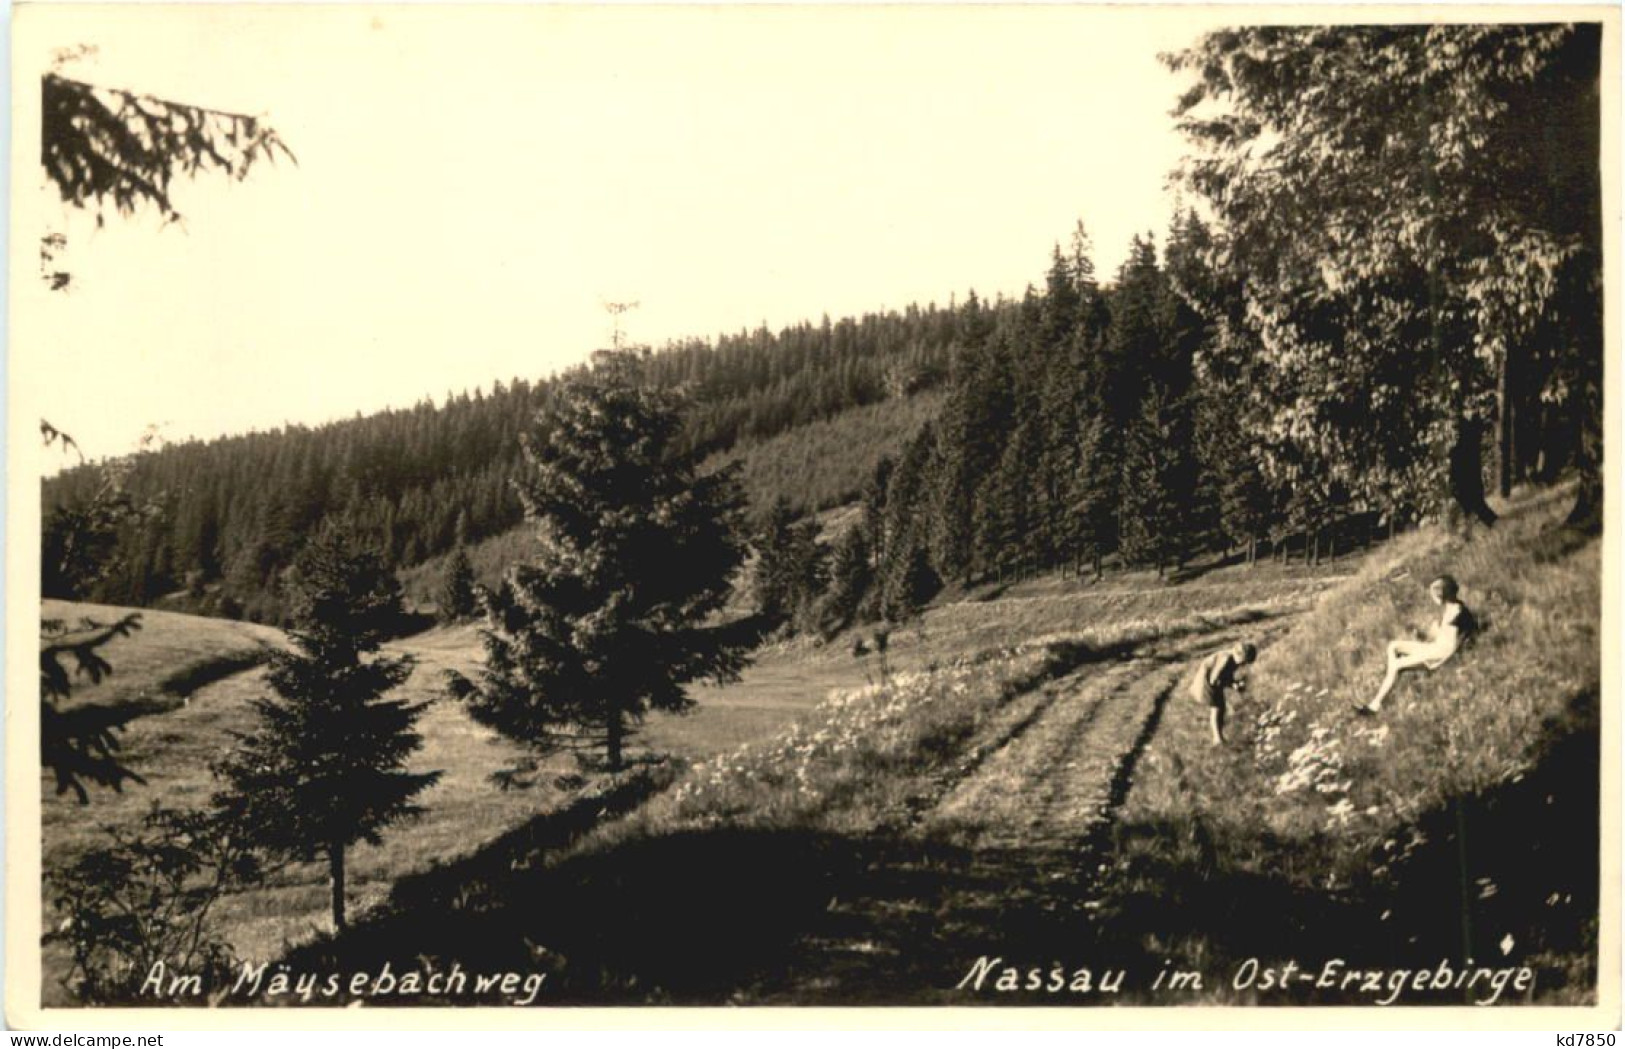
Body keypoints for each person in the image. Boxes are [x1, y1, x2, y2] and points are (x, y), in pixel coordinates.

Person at [1354, 574, 1476, 716]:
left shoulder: (1458, 612)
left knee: (1398, 665)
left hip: (1440, 653)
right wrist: (1422, 633)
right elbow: (1434, 637)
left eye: (1436, 593)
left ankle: (1375, 705)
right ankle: (1392, 676)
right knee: (1393, 646)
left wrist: (1440, 664)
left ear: (1444, 594)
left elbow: (1454, 646)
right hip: (1435, 647)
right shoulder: (1447, 608)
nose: (1433, 596)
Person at [1190, 641, 1257, 746]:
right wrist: (1233, 685)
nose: (1243, 665)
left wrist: (1233, 683)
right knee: (1217, 708)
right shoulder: (1225, 659)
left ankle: (1218, 736)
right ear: (1239, 655)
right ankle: (1217, 738)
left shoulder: (1232, 658)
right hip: (1206, 683)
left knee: (1220, 707)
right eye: (1243, 662)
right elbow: (1215, 679)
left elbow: (1225, 675)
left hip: (1211, 681)